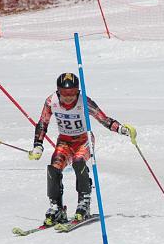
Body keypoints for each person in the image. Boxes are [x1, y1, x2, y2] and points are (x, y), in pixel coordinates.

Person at [28, 73, 136, 226]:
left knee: (78, 161)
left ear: (78, 91)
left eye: (72, 92)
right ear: (58, 91)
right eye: (64, 93)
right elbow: (43, 123)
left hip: (84, 140)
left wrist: (121, 129)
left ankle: (84, 202)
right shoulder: (51, 101)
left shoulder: (84, 101)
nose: (68, 97)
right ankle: (56, 207)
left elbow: (104, 119)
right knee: (54, 167)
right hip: (64, 141)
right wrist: (38, 145)